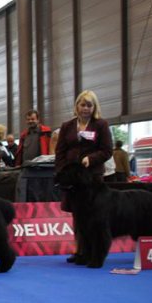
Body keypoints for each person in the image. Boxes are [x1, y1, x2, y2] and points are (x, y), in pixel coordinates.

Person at [54, 89, 113, 264]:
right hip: (73, 180)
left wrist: (91, 158)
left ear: (94, 107)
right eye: (83, 104)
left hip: (93, 179)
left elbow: (107, 150)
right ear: (77, 106)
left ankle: (94, 251)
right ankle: (80, 250)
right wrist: (61, 171)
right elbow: (60, 151)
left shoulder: (101, 125)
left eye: (89, 105)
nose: (85, 108)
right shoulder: (67, 126)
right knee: (78, 215)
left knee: (94, 217)